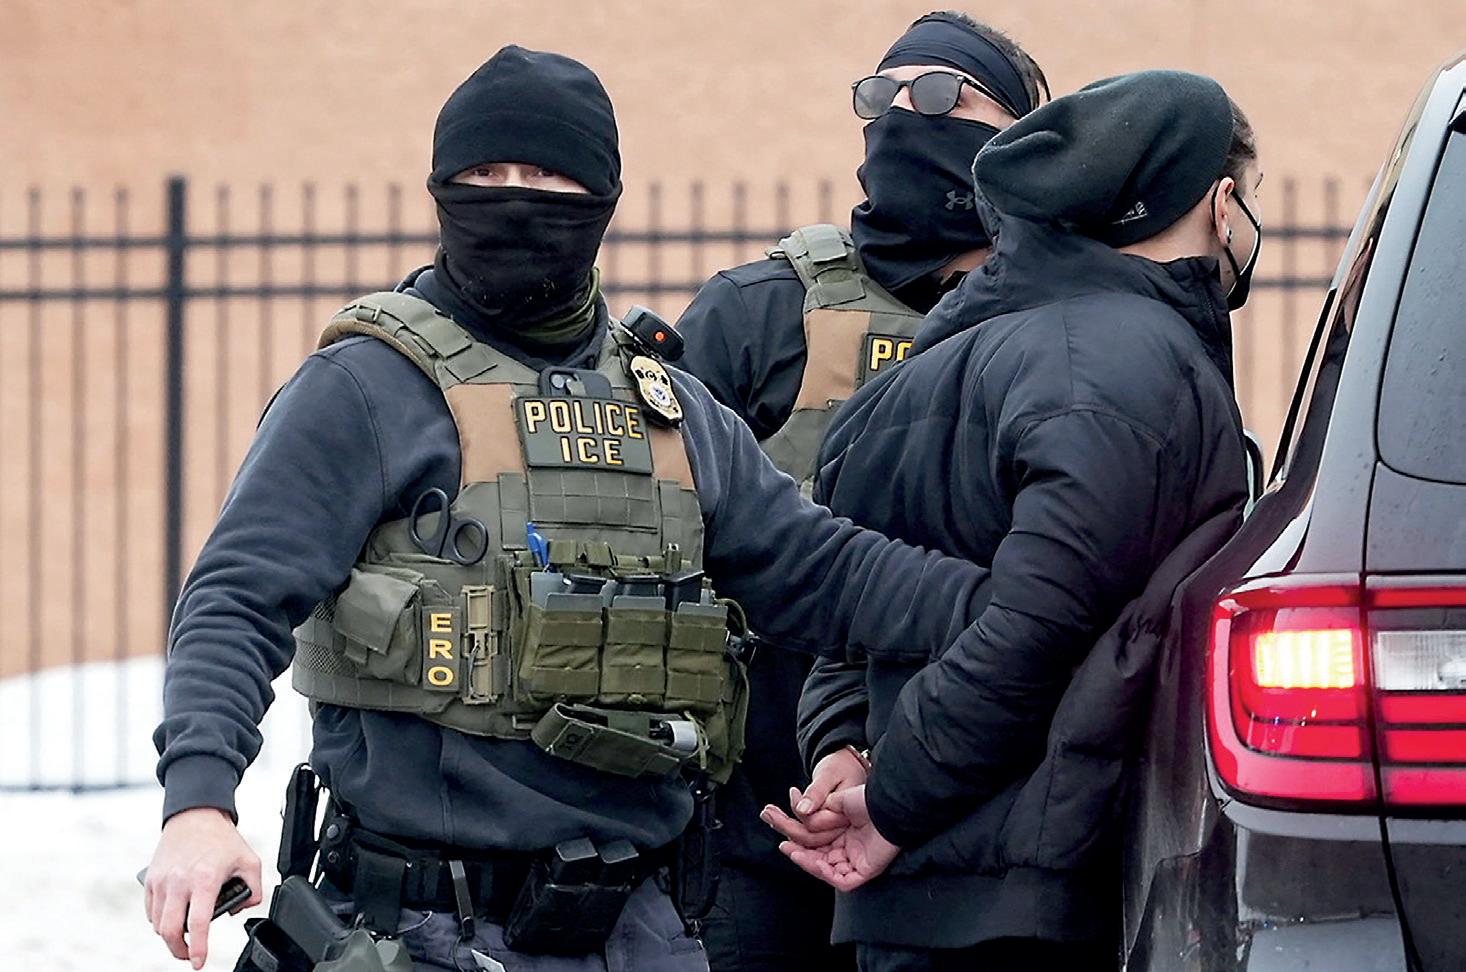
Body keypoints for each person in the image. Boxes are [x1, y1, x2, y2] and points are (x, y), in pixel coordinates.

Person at [141, 46, 996, 972]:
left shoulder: (670, 408)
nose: (514, 198)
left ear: (600, 200)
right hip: (419, 926)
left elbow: (824, 571)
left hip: (642, 928)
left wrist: (1021, 607)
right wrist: (198, 803)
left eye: (547, 176)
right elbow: (235, 597)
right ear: (442, 189)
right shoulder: (365, 388)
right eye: (485, 175)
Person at [766, 70, 1260, 971]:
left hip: (918, 904)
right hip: (1023, 905)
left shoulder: (936, 363)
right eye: (1250, 199)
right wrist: (894, 802)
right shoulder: (1132, 364)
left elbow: (850, 612)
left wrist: (842, 747)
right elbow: (1040, 625)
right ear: (1219, 203)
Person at [673, 14, 1045, 970]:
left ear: (1021, 138)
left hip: (977, 834)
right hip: (760, 822)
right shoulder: (761, 311)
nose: (903, 116)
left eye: (941, 95)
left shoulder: (1060, 326)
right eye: (882, 96)